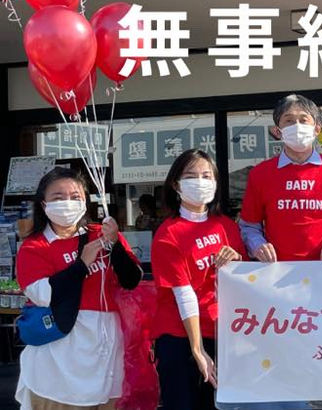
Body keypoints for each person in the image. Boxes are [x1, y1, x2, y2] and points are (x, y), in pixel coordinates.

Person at [15, 167, 143, 409]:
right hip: (57, 362)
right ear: (43, 204)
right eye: (58, 198)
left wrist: (115, 245)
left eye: (75, 197)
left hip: (105, 355)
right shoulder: (34, 247)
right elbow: (44, 295)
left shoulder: (102, 235)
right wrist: (82, 264)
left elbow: (131, 279)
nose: (67, 203)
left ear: (86, 201)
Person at [151, 149, 246, 409]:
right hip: (180, 337)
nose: (200, 181)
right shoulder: (168, 234)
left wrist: (236, 260)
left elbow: (244, 280)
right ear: (176, 184)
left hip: (221, 332)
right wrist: (197, 349)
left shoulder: (226, 225)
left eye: (206, 175)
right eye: (191, 175)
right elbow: (184, 294)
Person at [239, 94, 322, 261]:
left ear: (317, 129)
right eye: (289, 120)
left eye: (303, 120)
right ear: (278, 131)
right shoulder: (260, 173)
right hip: (275, 271)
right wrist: (258, 246)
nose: (297, 126)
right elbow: (249, 225)